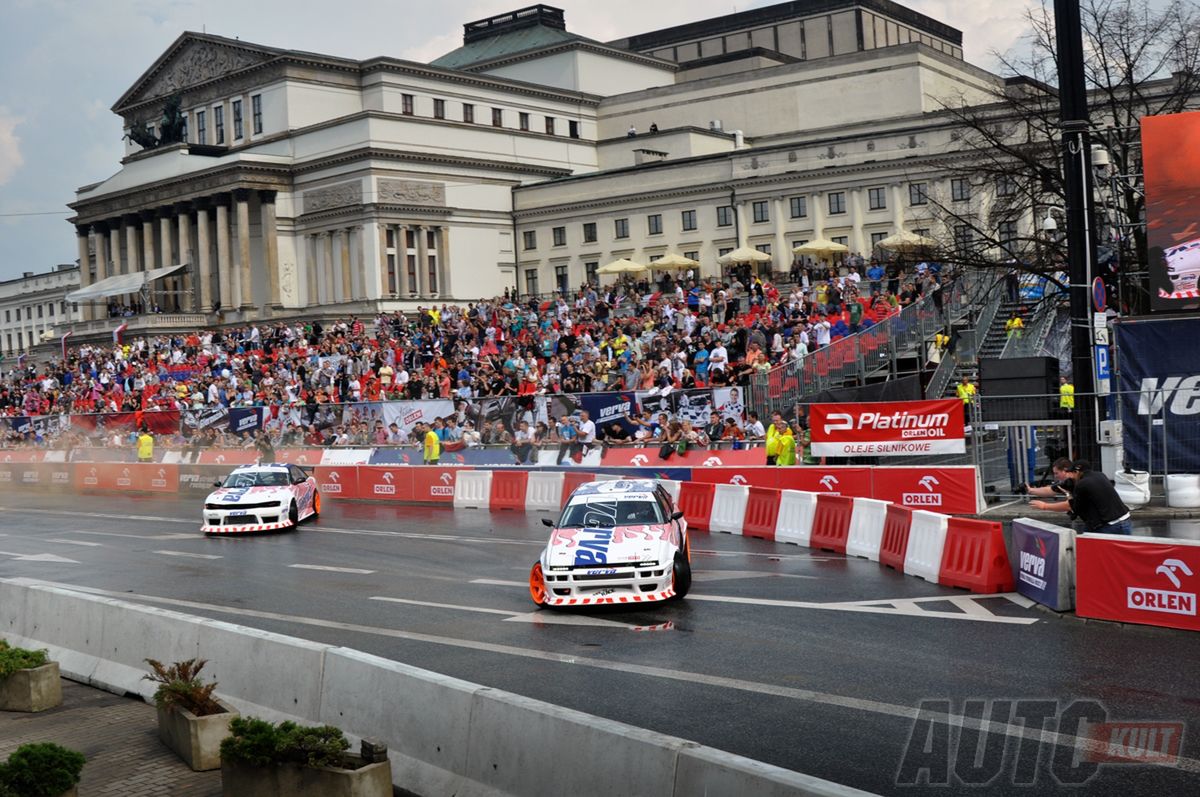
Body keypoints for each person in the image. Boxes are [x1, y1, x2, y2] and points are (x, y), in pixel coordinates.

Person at [1031, 460, 1132, 535]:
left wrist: (1045, 505)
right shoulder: (1100, 475)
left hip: (1109, 525)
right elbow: (1052, 490)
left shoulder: (1081, 484)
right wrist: (1031, 490)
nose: (1071, 475)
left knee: (1087, 551)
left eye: (1072, 473)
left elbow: (1075, 508)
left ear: (1077, 472)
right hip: (1125, 519)